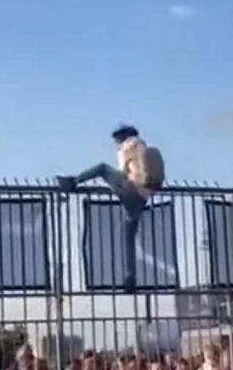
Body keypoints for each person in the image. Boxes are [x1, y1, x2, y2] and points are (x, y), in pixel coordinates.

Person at [56, 125, 165, 292]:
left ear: (122, 137)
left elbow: (123, 171)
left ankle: (73, 182)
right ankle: (130, 279)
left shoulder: (129, 146)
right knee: (129, 234)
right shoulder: (148, 148)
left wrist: (120, 182)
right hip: (145, 195)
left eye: (116, 140)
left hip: (133, 189)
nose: (115, 144)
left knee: (102, 168)